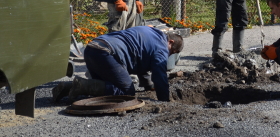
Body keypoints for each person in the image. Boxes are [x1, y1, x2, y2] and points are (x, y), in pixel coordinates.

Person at [53, 26, 184, 102]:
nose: (169, 55)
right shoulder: (161, 47)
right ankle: (83, 86)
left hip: (92, 49)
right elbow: (159, 75)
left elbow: (143, 60)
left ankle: (69, 87)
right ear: (171, 42)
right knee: (127, 92)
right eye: (171, 52)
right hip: (106, 54)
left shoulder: (153, 33)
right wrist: (165, 100)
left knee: (104, 89)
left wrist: (148, 84)